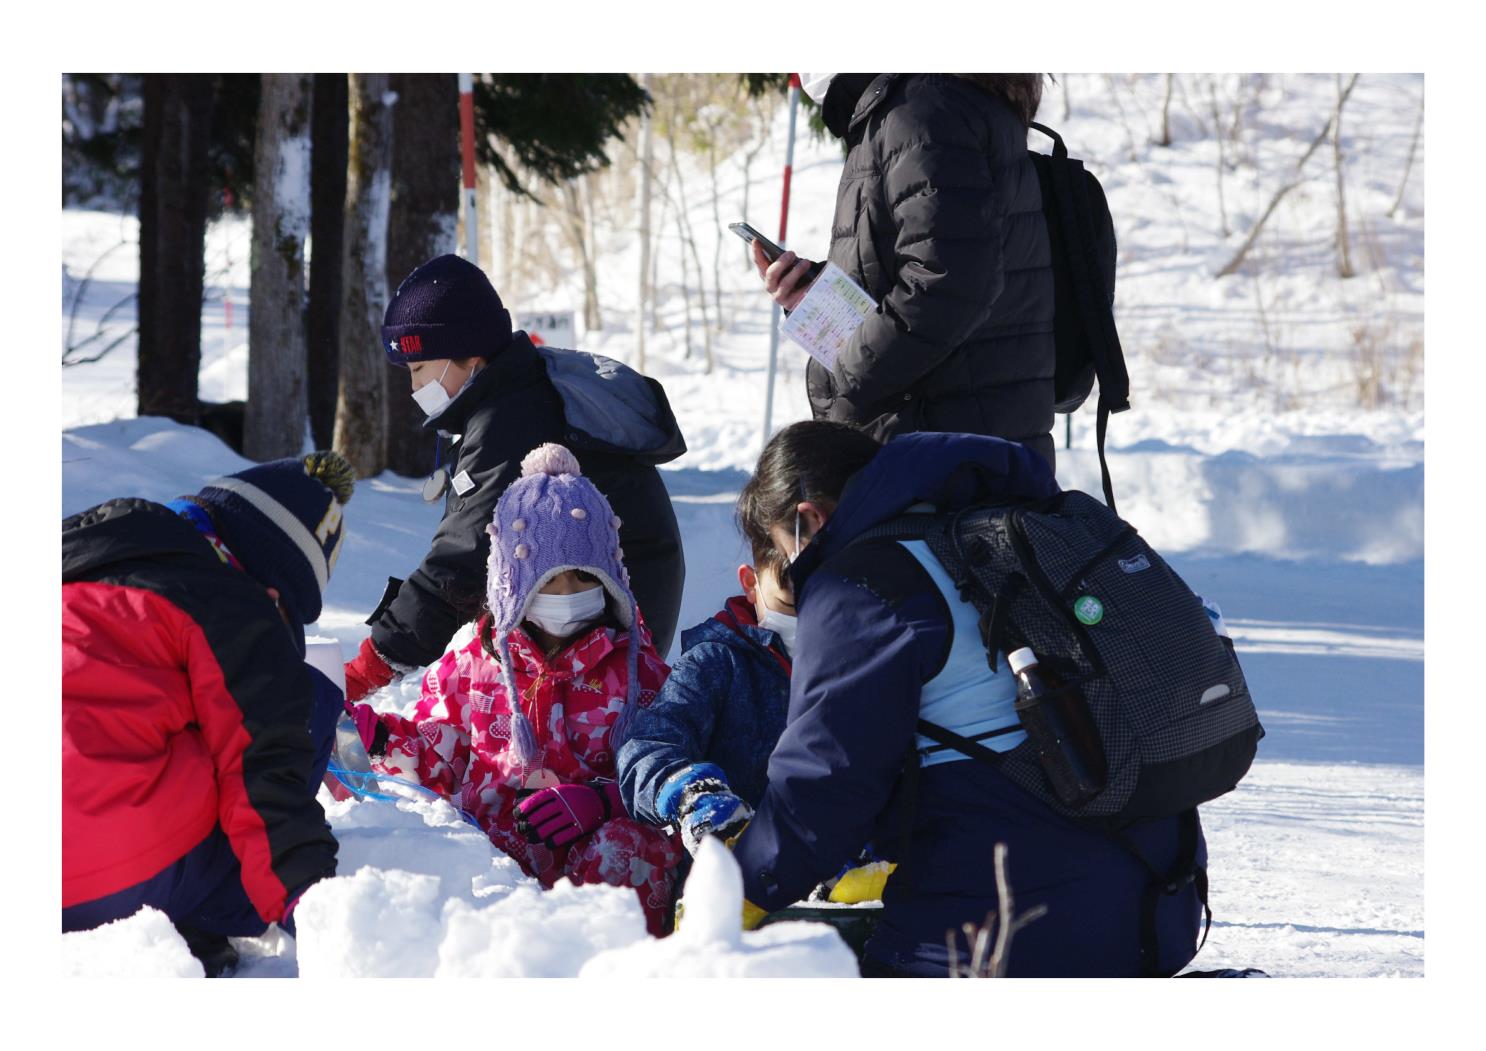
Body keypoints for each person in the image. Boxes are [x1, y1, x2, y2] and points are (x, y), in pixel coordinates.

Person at [725, 420, 1208, 977]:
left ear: (809, 520)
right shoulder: (1019, 534)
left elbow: (825, 783)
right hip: (1161, 905)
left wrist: (737, 891)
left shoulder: (859, 584)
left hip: (1015, 931)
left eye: (785, 552)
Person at [345, 444, 682, 936]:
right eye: (548, 584)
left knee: (631, 845)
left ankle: (609, 966)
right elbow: (445, 752)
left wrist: (603, 801)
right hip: (492, 868)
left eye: (581, 581)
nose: (566, 599)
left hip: (589, 873)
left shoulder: (637, 675)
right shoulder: (474, 664)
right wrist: (383, 739)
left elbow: (665, 770)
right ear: (511, 585)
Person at [345, 254, 687, 702]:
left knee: (548, 754)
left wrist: (375, 661)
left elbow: (463, 560)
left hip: (600, 623)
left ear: (469, 355)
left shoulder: (511, 418)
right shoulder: (511, 393)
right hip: (592, 613)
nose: (414, 389)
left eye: (419, 370)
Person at [63, 452, 355, 976]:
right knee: (306, 696)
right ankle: (190, 918)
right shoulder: (234, 602)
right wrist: (326, 919)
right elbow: (266, 770)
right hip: (103, 876)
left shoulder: (78, 564)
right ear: (271, 585)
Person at [754, 74, 1059, 470]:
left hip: (939, 455)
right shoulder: (910, 108)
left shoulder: (922, 110)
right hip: (949, 440)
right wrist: (813, 299)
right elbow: (929, 270)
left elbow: (948, 286)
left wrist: (847, 369)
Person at [616, 543, 796, 856]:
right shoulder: (717, 661)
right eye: (789, 595)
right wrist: (692, 793)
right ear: (752, 583)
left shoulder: (871, 660)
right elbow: (650, 744)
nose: (810, 611)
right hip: (733, 874)